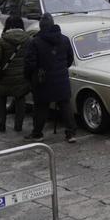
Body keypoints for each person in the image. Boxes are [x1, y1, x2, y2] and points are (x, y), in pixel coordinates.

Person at [24, 14, 76, 143]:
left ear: (41, 26)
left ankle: (37, 133)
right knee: (65, 105)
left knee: (41, 107)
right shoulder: (64, 39)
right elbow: (70, 59)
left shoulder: (35, 42)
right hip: (61, 79)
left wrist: (29, 77)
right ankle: (71, 133)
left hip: (43, 80)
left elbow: (30, 64)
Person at [0, 14, 31, 133]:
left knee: (1, 99)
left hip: (4, 78)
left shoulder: (2, 41)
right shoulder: (28, 39)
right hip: (21, 77)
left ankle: (1, 125)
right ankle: (18, 126)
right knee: (20, 99)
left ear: (7, 25)